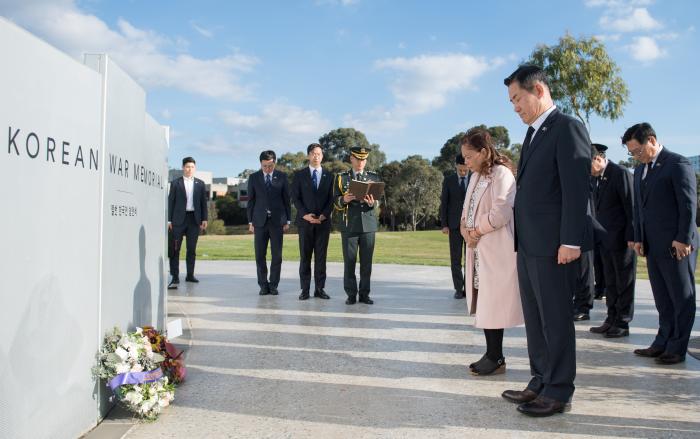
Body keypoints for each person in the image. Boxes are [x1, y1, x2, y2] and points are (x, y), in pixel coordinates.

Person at [501, 65, 592, 417]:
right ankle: (540, 379)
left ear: (538, 90)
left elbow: (575, 189)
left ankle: (559, 389)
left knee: (555, 318)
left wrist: (571, 240)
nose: (515, 107)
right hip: (530, 245)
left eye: (517, 99)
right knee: (536, 319)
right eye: (511, 102)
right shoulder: (534, 133)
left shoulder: (567, 127)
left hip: (555, 245)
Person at [624, 123, 698, 364]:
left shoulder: (677, 164)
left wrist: (683, 239)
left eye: (637, 151)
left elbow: (688, 205)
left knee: (680, 297)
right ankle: (662, 342)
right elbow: (639, 209)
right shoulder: (639, 171)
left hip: (676, 244)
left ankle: (676, 348)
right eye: (631, 153)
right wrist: (637, 238)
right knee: (662, 299)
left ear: (652, 141)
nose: (635, 156)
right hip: (652, 245)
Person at [459, 127, 523, 376]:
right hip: (477, 249)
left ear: (484, 152)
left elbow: (502, 212)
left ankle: (496, 357)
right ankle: (492, 354)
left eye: (469, 156)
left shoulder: (502, 174)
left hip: (496, 248)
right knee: (484, 300)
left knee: (494, 303)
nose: (466, 161)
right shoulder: (475, 176)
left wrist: (475, 231)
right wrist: (465, 228)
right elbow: (467, 208)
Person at [588, 143, 636, 338]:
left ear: (597, 159)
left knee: (624, 281)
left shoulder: (620, 173)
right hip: (606, 240)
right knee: (610, 282)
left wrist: (633, 237)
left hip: (623, 240)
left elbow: (631, 208)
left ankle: (623, 322)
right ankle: (611, 318)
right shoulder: (598, 177)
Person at [333, 146, 380, 305]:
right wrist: (343, 200)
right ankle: (351, 294)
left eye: (363, 159)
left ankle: (365, 294)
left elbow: (378, 203)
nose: (361, 162)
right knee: (350, 262)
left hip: (368, 225)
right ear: (351, 159)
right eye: (358, 159)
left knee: (366, 263)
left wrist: (373, 203)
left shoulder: (373, 177)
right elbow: (335, 201)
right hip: (349, 226)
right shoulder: (341, 178)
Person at [291, 143, 334, 300]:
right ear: (309, 155)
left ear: (322, 156)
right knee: (305, 257)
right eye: (314, 153)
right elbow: (295, 197)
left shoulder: (329, 176)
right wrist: (304, 215)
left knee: (321, 258)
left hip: (323, 223)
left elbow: (332, 199)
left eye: (319, 154)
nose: (317, 156)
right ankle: (305, 290)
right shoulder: (299, 175)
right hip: (305, 223)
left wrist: (324, 215)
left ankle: (320, 289)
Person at [247, 150, 291, 296]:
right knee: (260, 255)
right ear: (260, 164)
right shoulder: (253, 178)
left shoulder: (282, 177)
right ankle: (263, 285)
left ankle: (273, 285)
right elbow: (251, 201)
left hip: (277, 222)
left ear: (275, 162)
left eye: (270, 165)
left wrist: (287, 220)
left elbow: (286, 200)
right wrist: (250, 221)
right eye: (265, 166)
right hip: (259, 222)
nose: (268, 169)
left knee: (277, 256)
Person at [168, 157, 208, 287]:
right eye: (187, 167)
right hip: (178, 220)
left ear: (195, 168)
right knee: (175, 249)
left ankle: (190, 275)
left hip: (194, 220)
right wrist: (169, 220)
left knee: (191, 249)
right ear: (183, 167)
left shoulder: (200, 184)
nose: (189, 169)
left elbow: (203, 203)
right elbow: (170, 202)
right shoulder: (175, 183)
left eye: (192, 167)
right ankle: (174, 277)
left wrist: (204, 218)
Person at [440, 154, 471, 299]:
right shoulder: (449, 180)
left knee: (470, 259)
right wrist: (444, 224)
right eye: (461, 170)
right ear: (456, 167)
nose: (463, 173)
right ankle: (459, 289)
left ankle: (470, 289)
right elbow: (444, 203)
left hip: (471, 226)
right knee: (456, 259)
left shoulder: (475, 178)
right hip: (453, 226)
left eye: (465, 170)